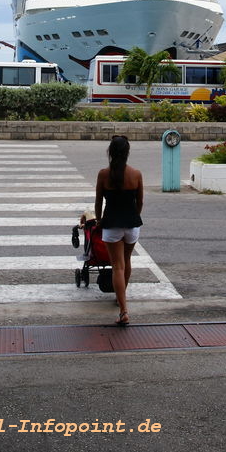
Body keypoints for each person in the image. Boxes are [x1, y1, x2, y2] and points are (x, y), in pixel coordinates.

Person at [94, 135, 143, 326]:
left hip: (111, 225)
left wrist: (98, 220)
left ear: (110, 152)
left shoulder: (103, 174)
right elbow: (140, 202)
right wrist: (133, 216)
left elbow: (99, 201)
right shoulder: (136, 174)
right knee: (127, 261)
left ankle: (123, 310)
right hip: (131, 225)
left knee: (117, 266)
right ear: (127, 152)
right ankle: (120, 298)